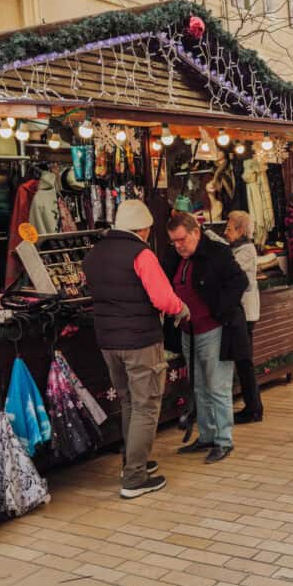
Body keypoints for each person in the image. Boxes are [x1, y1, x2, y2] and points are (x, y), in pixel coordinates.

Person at [83, 200, 189, 499]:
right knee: (146, 405)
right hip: (140, 341)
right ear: (142, 228)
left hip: (108, 342)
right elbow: (163, 299)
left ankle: (132, 461)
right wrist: (181, 308)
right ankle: (134, 477)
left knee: (129, 401)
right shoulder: (141, 254)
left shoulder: (94, 254)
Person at [163, 212, 249, 464]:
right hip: (189, 331)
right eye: (174, 241)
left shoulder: (217, 252)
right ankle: (207, 434)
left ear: (195, 233)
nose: (178, 246)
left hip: (214, 329)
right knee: (199, 385)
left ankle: (224, 439)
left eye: (182, 240)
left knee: (217, 385)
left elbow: (240, 281)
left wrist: (219, 310)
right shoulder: (174, 256)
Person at [224, 211, 263, 424]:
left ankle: (254, 408)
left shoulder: (246, 250)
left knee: (245, 361)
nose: (225, 232)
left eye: (229, 228)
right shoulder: (238, 248)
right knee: (243, 361)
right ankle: (252, 406)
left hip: (246, 313)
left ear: (240, 230)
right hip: (242, 312)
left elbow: (230, 270)